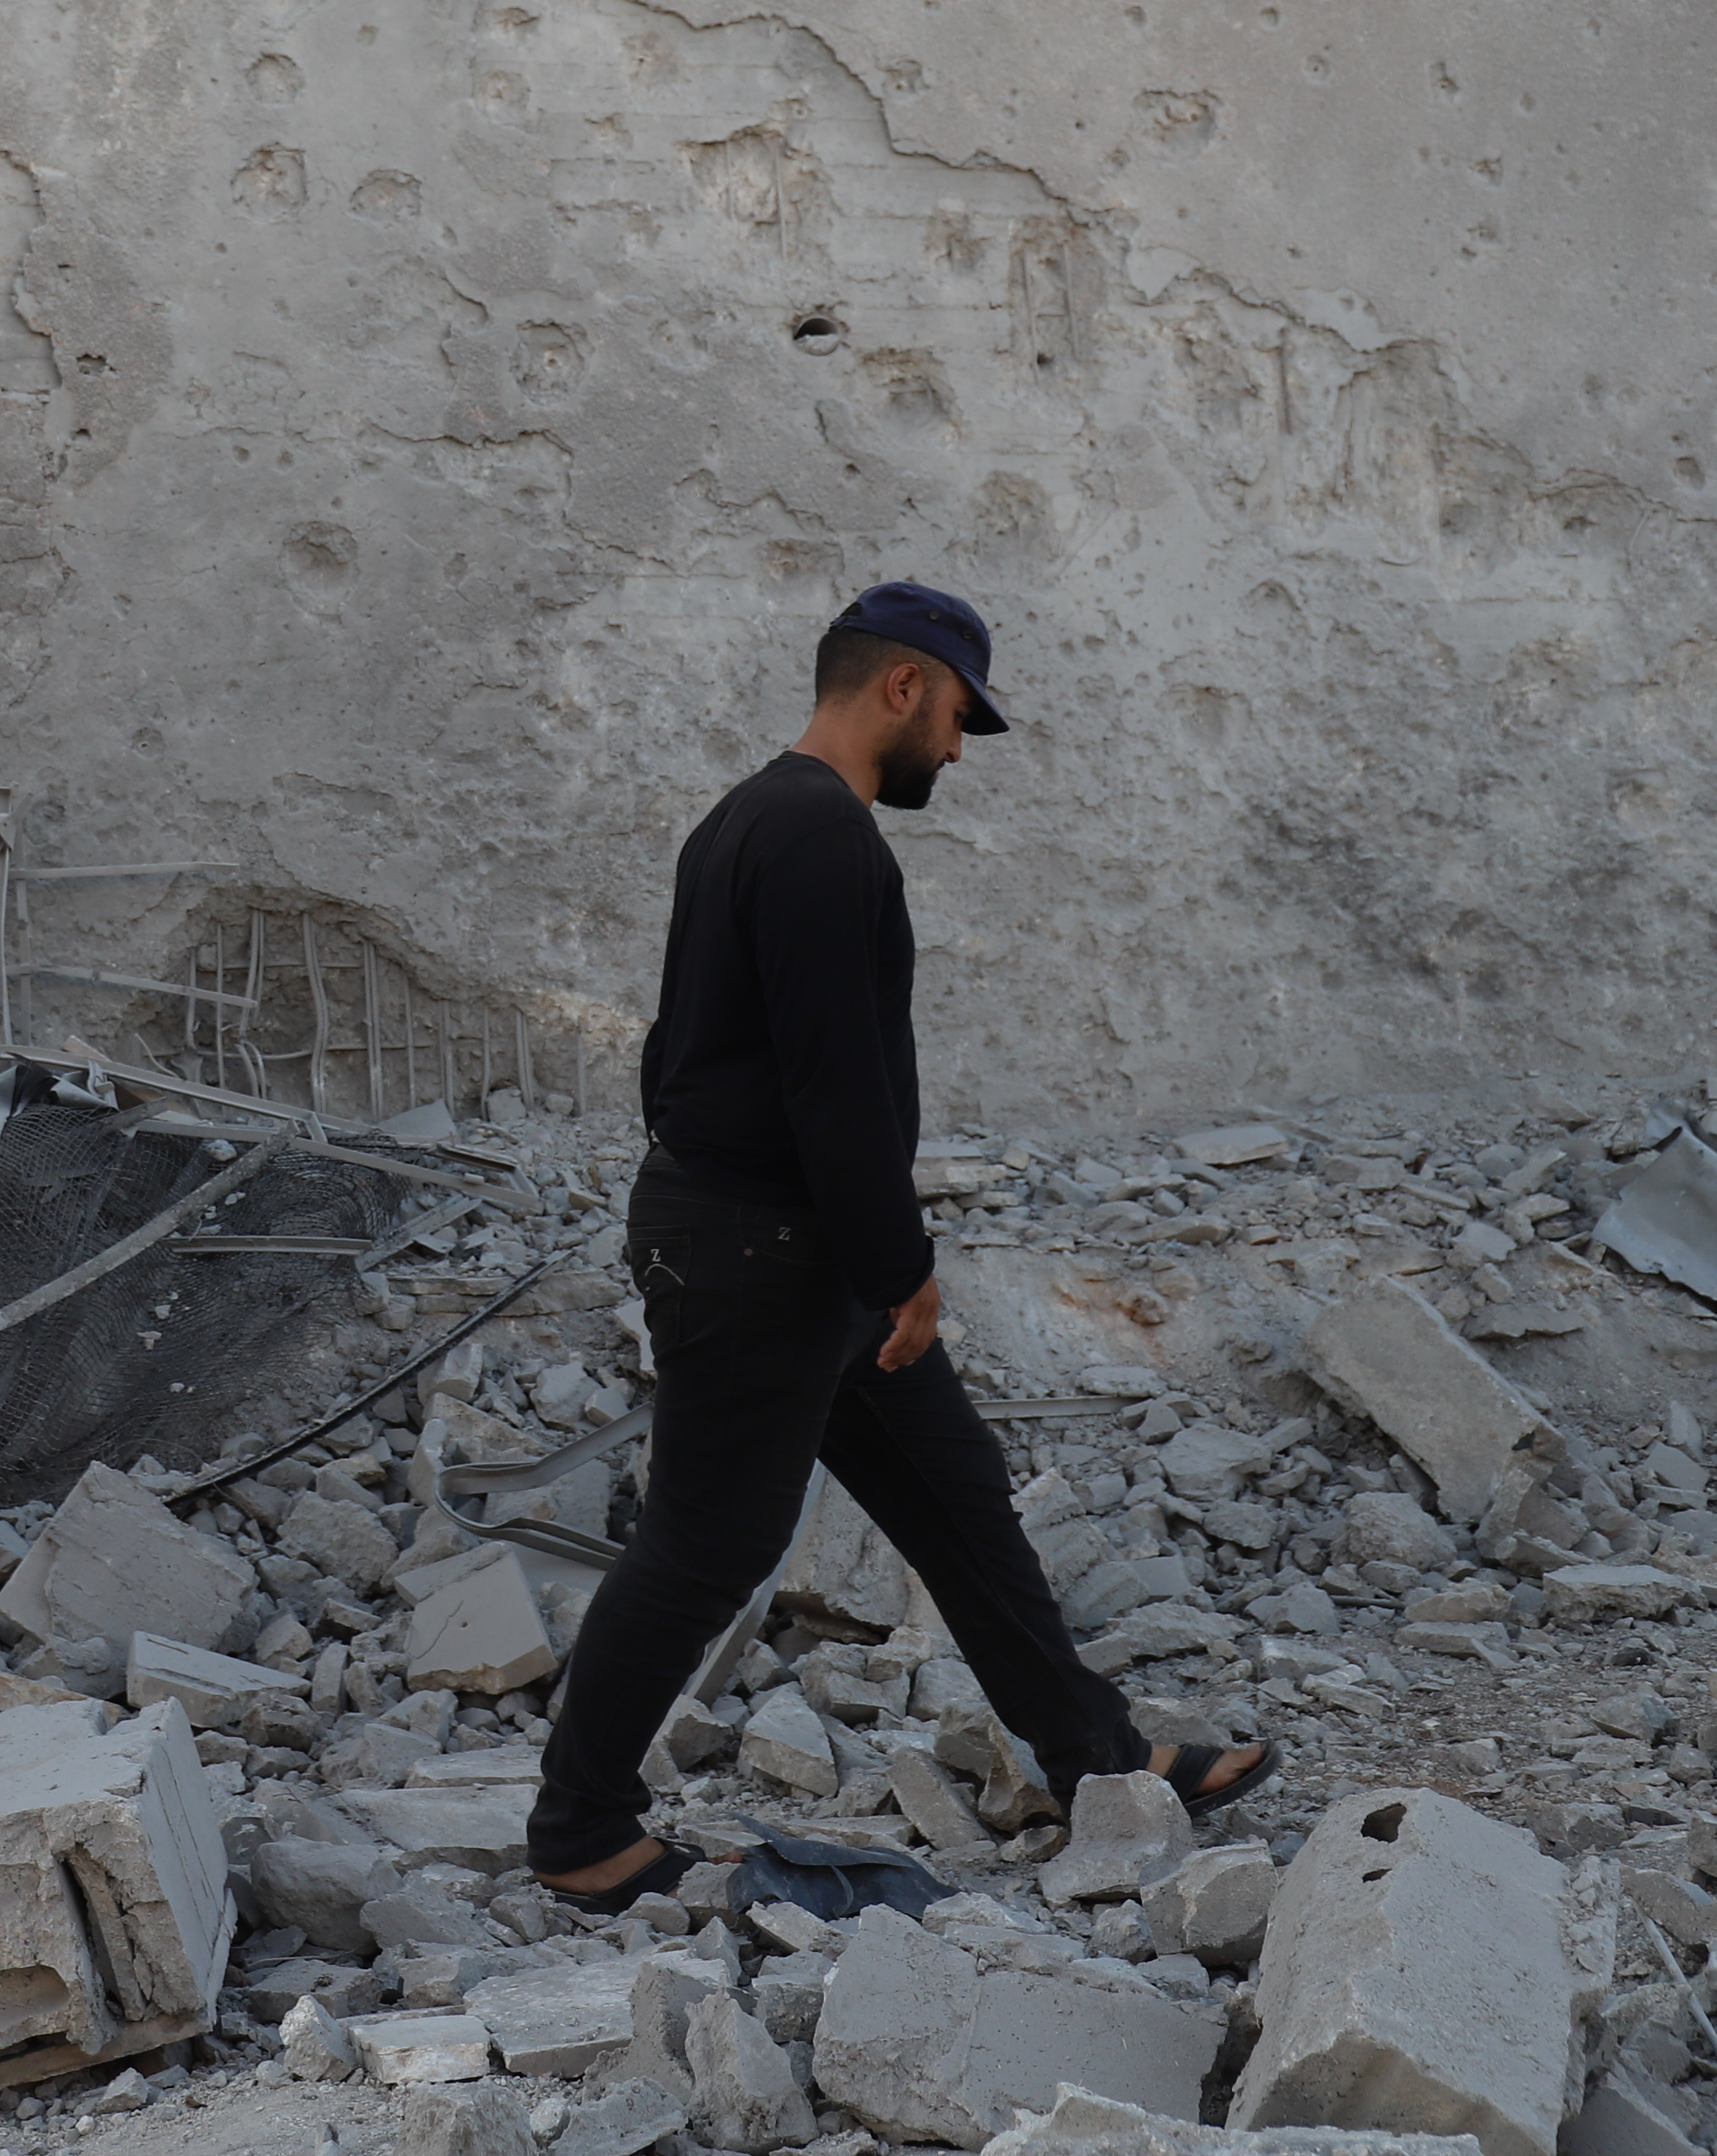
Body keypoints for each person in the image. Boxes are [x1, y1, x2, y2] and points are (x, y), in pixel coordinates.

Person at [525, 580, 1273, 1911]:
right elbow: (834, 1085)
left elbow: (680, 1056)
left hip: (777, 1241)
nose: (961, 751)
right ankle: (581, 1827)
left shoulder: (746, 817)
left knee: (956, 1498)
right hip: (773, 1252)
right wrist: (896, 1266)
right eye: (962, 718)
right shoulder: (823, 837)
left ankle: (1094, 1757)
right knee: (708, 1539)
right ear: (905, 686)